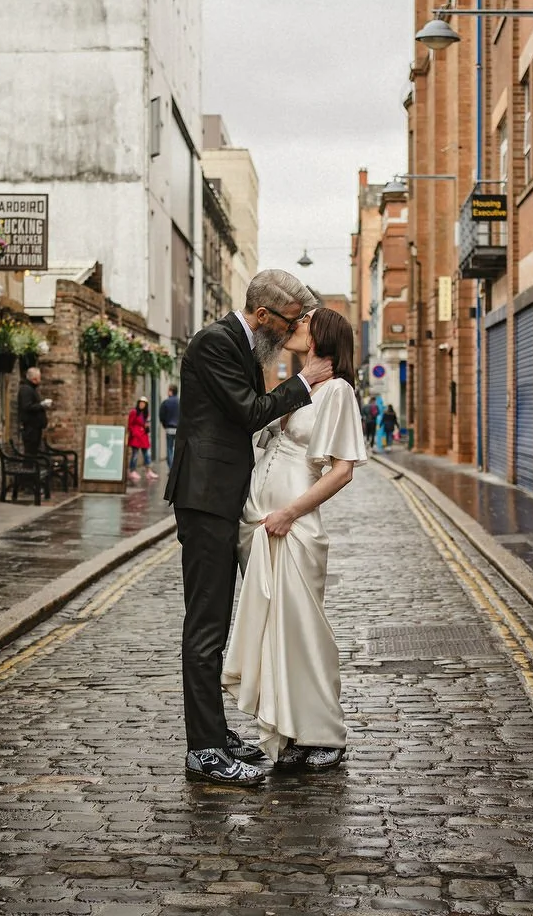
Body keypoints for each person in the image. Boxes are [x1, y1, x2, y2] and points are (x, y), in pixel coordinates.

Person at [164, 270, 333, 787]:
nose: (293, 330)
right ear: (263, 315)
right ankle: (204, 751)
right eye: (290, 321)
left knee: (221, 621)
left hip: (223, 499)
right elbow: (248, 411)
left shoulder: (242, 344)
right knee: (206, 625)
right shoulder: (215, 342)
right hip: (205, 500)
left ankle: (216, 734)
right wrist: (303, 382)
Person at [222, 307, 366, 771]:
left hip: (292, 526)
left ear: (321, 335)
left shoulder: (338, 391)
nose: (294, 325)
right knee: (274, 632)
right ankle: (289, 732)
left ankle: (325, 734)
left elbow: (342, 471)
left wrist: (290, 512)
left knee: (303, 630)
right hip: (261, 526)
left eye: (304, 321)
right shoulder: (299, 386)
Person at [16, 367, 52, 456]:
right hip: (30, 428)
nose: (40, 380)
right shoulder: (26, 389)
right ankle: (30, 465)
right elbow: (27, 406)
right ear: (34, 379)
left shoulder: (31, 389)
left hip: (35, 427)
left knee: (34, 451)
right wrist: (42, 405)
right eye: (39, 378)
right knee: (30, 452)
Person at [127, 397, 154, 480]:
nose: (142, 404)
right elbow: (130, 424)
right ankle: (132, 471)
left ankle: (148, 471)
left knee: (147, 454)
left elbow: (147, 424)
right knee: (135, 454)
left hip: (143, 437)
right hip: (136, 437)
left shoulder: (146, 414)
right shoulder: (134, 412)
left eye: (144, 403)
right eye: (140, 403)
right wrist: (134, 433)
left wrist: (146, 427)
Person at [158, 385, 180, 470]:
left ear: (171, 391)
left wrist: (165, 425)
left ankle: (171, 468)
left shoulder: (166, 402)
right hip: (179, 429)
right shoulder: (180, 402)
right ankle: (177, 468)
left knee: (169, 448)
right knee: (178, 449)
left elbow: (161, 415)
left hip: (169, 428)